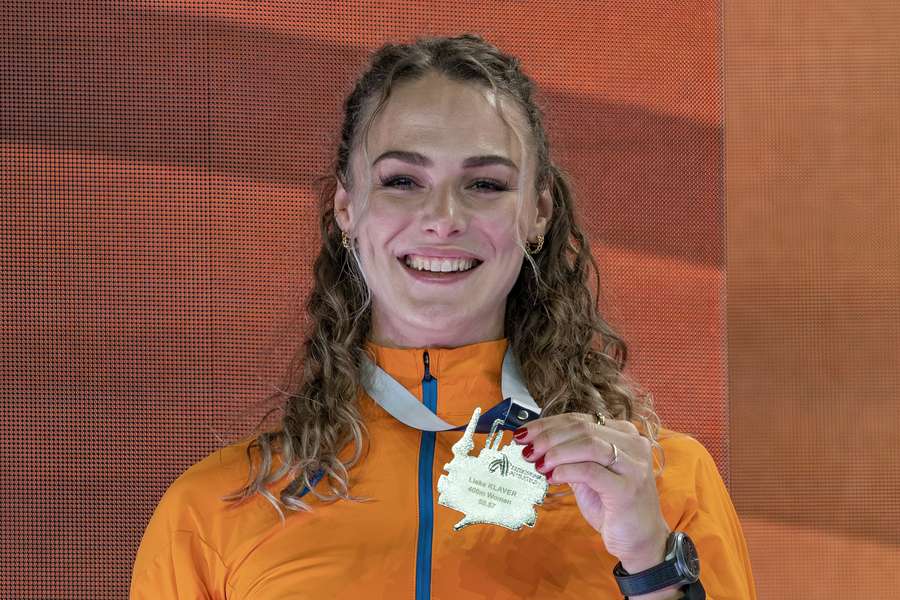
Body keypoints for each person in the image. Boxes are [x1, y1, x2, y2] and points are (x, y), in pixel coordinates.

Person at [131, 34, 756, 599]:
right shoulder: (214, 510)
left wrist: (650, 565)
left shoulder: (661, 486)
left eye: (485, 184)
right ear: (347, 208)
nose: (444, 217)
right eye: (403, 180)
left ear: (538, 213)